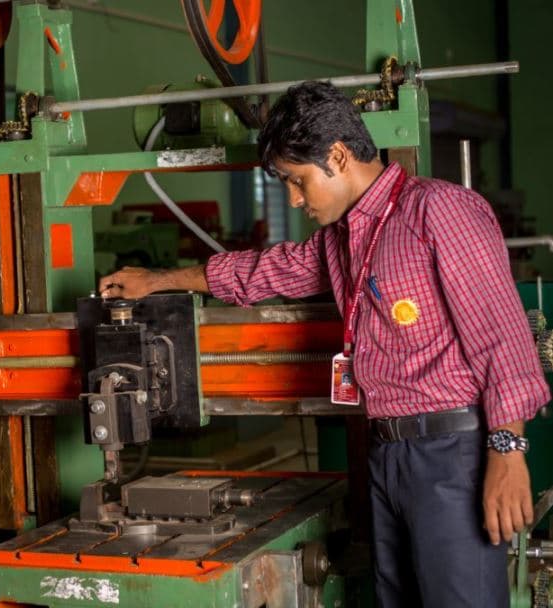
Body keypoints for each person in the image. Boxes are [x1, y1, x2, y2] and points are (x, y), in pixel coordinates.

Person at [99, 81, 550, 607]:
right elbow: (262, 272)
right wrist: (157, 281)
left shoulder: (438, 210)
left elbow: (502, 339)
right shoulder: (342, 239)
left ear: (337, 156)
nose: (295, 198)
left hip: (453, 456)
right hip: (386, 453)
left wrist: (507, 452)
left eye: (298, 180)